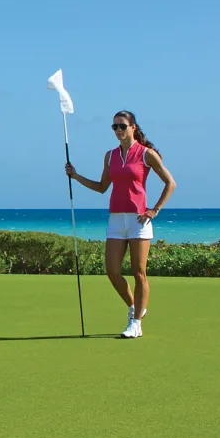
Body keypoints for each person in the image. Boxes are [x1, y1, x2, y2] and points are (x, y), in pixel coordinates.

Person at [65, 110, 176, 339]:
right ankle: (135, 308)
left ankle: (135, 324)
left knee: (139, 273)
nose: (118, 130)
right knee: (112, 271)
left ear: (133, 127)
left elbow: (170, 183)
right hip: (116, 219)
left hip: (138, 220)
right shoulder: (110, 156)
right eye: (114, 127)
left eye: (122, 126)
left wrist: (154, 210)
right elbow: (102, 187)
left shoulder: (147, 154)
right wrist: (75, 176)